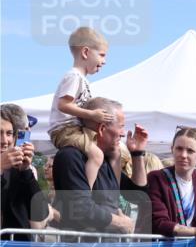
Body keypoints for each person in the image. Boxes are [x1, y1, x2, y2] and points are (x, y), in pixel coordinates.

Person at [52, 97, 147, 234]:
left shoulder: (108, 160)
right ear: (102, 129)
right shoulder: (71, 157)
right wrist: (121, 222)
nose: (123, 133)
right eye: (121, 126)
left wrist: (137, 154)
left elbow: (139, 197)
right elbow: (81, 209)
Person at [47, 26, 116, 189]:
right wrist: (92, 114)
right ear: (85, 52)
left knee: (102, 148)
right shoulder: (74, 76)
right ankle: (86, 193)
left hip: (73, 129)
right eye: (101, 55)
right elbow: (63, 104)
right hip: (65, 130)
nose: (104, 61)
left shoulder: (82, 79)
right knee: (97, 155)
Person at [145, 127, 196, 247]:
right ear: (172, 149)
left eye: (190, 151)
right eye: (179, 148)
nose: (183, 155)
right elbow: (159, 223)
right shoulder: (156, 178)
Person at [1, 104, 54, 239]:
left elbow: (40, 216)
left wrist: (26, 173)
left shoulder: (21, 170)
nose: (4, 141)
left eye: (9, 133)